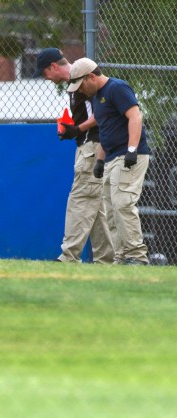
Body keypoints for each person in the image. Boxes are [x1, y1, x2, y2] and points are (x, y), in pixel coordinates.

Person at [67, 58, 151, 265]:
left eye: (81, 85)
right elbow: (106, 130)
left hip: (129, 155)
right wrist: (100, 161)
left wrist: (132, 149)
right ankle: (121, 257)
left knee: (123, 203)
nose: (80, 91)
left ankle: (136, 256)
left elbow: (135, 117)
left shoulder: (117, 88)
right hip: (111, 157)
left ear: (91, 77)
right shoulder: (97, 97)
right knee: (111, 210)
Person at [34, 48, 114, 263]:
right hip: (89, 145)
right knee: (97, 209)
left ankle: (69, 257)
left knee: (81, 199)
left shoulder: (83, 80)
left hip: (93, 146)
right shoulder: (74, 85)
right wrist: (71, 129)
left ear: (54, 66)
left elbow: (103, 112)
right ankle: (107, 260)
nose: (46, 79)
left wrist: (78, 129)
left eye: (45, 73)